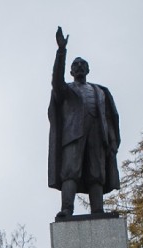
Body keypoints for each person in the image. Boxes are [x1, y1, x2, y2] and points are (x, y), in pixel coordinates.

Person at [48, 26, 120, 219]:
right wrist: (61, 51)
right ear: (71, 71)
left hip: (97, 135)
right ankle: (67, 210)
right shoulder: (66, 90)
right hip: (73, 135)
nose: (79, 67)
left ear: (88, 69)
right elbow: (56, 81)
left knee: (97, 174)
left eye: (82, 65)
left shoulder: (100, 91)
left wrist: (112, 141)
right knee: (70, 172)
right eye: (76, 65)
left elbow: (109, 118)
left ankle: (98, 210)